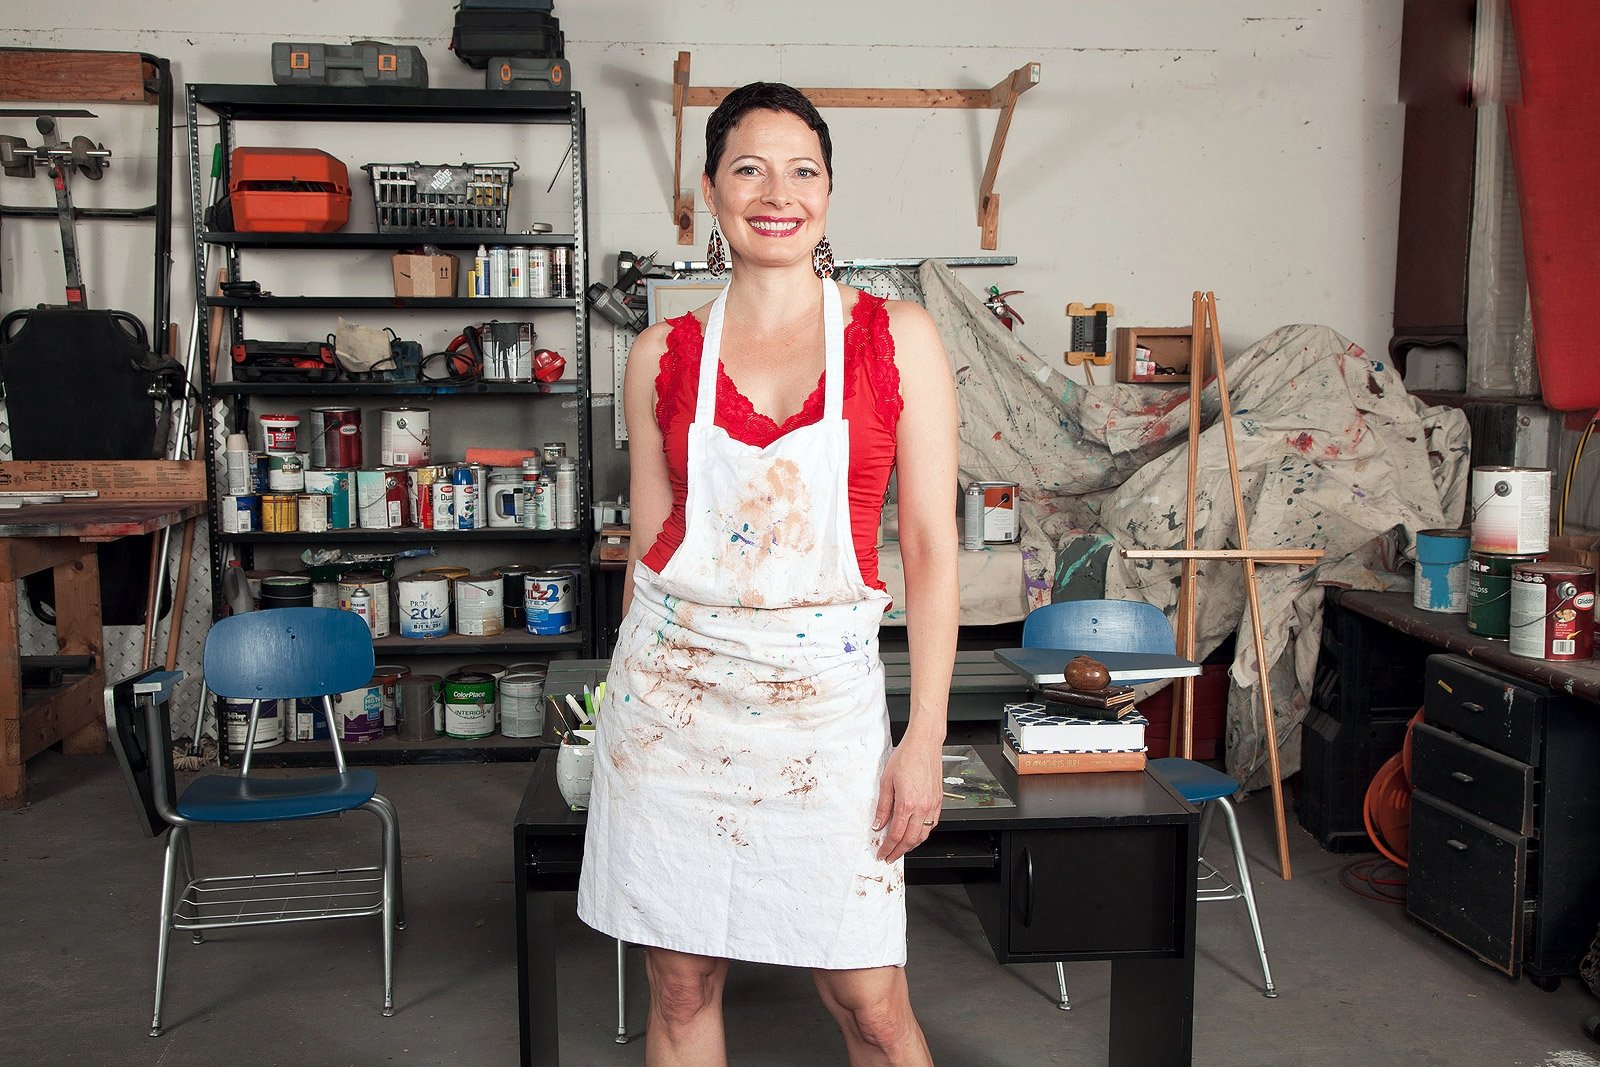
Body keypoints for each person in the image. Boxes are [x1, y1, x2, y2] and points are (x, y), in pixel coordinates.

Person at [577, 81, 959, 1067]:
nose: (776, 192)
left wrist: (923, 735)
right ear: (710, 191)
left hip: (824, 707)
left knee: (871, 1004)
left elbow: (929, 545)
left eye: (802, 170)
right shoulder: (660, 353)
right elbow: (652, 551)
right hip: (672, 708)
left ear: (827, 191)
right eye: (748, 168)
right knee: (681, 985)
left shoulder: (898, 336)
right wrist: (615, 715)